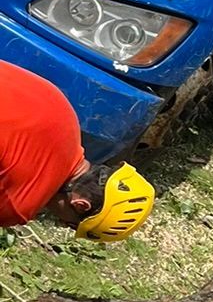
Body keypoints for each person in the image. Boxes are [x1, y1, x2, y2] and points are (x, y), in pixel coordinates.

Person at [0, 60, 155, 241]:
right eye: (71, 224)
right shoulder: (20, 203)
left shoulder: (66, 116)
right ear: (81, 204)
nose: (61, 222)